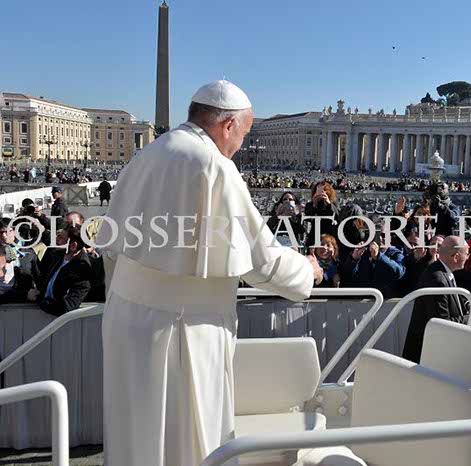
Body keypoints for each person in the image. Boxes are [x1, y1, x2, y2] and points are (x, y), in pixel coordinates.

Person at [95, 80, 322, 466]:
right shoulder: (214, 166)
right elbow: (262, 260)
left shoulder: (147, 154)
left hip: (126, 319)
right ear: (228, 125)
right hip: (186, 331)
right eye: (243, 135)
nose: (241, 146)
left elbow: (113, 249)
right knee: (189, 437)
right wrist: (307, 271)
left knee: (136, 432)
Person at [402, 236, 471, 363]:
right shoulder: (437, 279)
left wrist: (469, 307)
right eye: (467, 254)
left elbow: (452, 304)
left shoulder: (443, 273)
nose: (468, 257)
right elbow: (442, 323)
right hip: (427, 357)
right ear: (456, 257)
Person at [33, 225, 92, 315]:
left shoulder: (82, 272)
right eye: (58, 236)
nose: (56, 239)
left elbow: (66, 307)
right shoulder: (57, 255)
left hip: (59, 321)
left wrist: (38, 299)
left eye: (61, 238)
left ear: (73, 245)